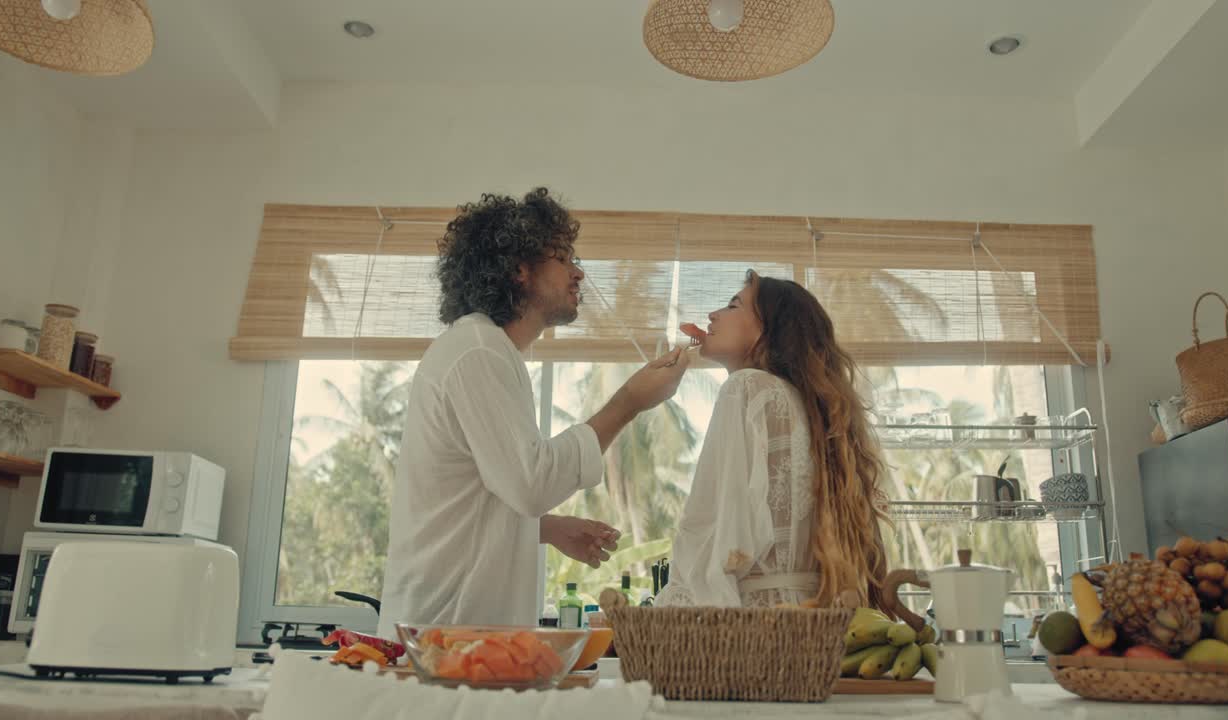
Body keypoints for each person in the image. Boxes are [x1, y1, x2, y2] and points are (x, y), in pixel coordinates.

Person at [377, 187, 689, 631]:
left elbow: (476, 493)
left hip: (458, 632)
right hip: (445, 633)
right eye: (562, 257)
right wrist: (628, 404)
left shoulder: (487, 351)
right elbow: (530, 482)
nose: (578, 272)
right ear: (519, 269)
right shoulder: (478, 351)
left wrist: (547, 528)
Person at [658, 270, 890, 610]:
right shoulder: (808, 409)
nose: (712, 315)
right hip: (814, 620)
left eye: (733, 305)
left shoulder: (746, 388)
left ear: (771, 330)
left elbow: (713, 538)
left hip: (756, 628)